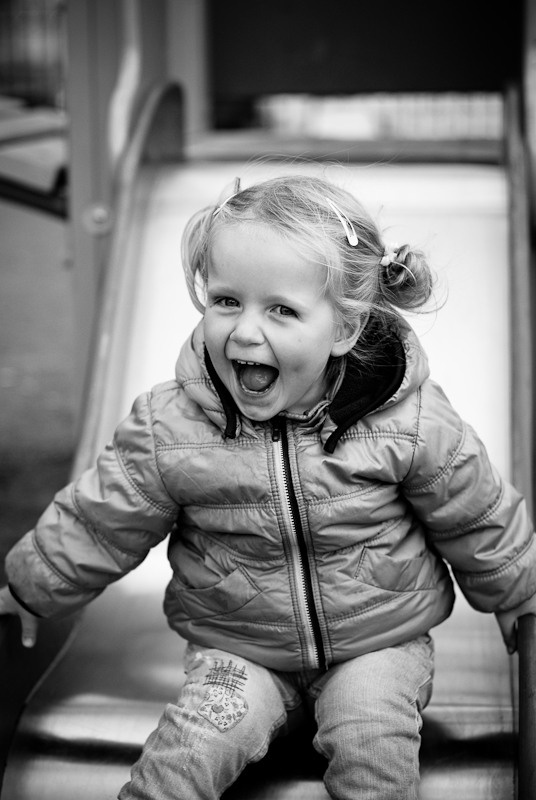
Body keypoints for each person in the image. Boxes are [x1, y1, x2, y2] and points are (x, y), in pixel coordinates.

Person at [1, 173, 536, 800]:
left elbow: (475, 515)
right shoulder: (171, 426)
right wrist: (26, 588)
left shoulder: (408, 422)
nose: (246, 331)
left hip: (377, 647)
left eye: (281, 310)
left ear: (344, 329)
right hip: (241, 651)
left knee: (372, 749)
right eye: (226, 301)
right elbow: (102, 518)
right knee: (187, 752)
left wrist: (519, 597)